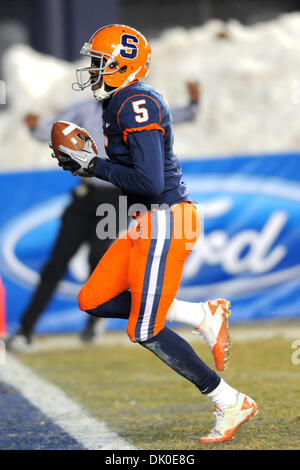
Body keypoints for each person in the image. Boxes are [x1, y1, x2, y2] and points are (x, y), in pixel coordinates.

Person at [54, 24, 258, 444]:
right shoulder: (121, 100)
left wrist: (92, 165)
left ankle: (229, 399)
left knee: (143, 329)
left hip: (167, 218)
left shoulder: (135, 101)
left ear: (121, 66)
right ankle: (202, 314)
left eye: (100, 62)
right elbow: (136, 181)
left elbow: (147, 181)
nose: (92, 69)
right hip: (148, 220)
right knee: (92, 298)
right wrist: (88, 165)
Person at [6, 75, 202, 351]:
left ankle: (93, 321)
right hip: (86, 194)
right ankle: (26, 330)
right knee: (56, 263)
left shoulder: (135, 107)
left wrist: (193, 104)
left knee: (98, 259)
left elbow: (167, 117)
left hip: (115, 194)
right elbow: (55, 131)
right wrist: (35, 127)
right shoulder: (86, 108)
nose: (96, 80)